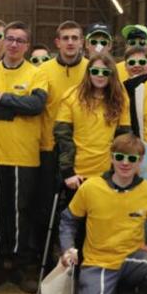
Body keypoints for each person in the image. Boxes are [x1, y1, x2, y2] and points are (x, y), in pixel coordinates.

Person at [59, 133, 147, 294]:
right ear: (111, 158)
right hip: (99, 262)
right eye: (120, 157)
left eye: (132, 159)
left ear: (140, 162)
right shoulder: (91, 187)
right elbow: (68, 221)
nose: (125, 163)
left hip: (132, 258)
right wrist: (68, 248)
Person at [0, 21, 47, 294]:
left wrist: (2, 98)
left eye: (20, 40)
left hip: (24, 156)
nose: (14, 44)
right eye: (10, 39)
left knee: (19, 212)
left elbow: (37, 105)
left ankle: (18, 265)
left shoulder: (36, 73)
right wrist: (16, 109)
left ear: (27, 46)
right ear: (2, 42)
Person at [33, 21, 89, 267]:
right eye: (65, 38)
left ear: (82, 41)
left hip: (84, 151)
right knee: (45, 207)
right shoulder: (43, 69)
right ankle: (42, 259)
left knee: (81, 207)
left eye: (74, 38)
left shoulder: (92, 69)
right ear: (57, 42)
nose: (70, 42)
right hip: (48, 148)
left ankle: (81, 257)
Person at [54, 53, 131, 193]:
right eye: (95, 71)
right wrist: (68, 173)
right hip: (77, 175)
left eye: (105, 72)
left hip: (108, 174)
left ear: (112, 74)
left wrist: (117, 172)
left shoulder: (121, 98)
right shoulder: (71, 96)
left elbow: (123, 139)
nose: (100, 75)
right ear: (88, 73)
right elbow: (63, 138)